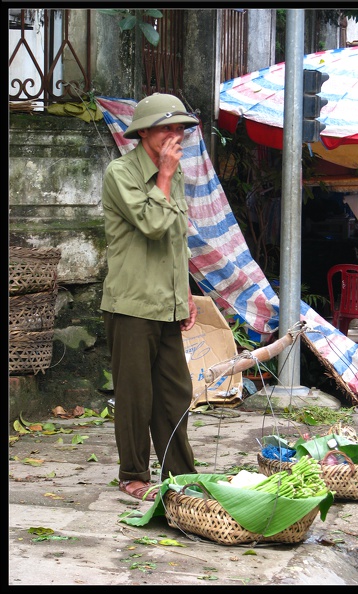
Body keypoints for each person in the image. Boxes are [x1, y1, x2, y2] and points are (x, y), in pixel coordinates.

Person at [100, 93, 200, 500]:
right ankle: (133, 474)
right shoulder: (120, 173)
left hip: (167, 303)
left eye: (180, 128)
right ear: (143, 132)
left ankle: (180, 475)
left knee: (176, 392)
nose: (175, 135)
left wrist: (187, 294)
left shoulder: (171, 174)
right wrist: (163, 175)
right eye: (166, 128)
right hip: (132, 303)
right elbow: (154, 224)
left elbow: (177, 238)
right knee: (136, 395)